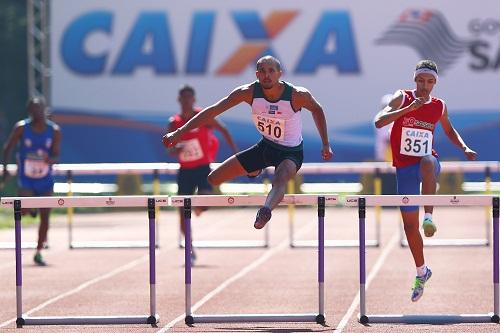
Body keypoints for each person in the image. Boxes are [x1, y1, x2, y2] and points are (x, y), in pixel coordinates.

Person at [163, 55, 333, 229]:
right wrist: (179, 132)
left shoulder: (297, 95)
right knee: (213, 179)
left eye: (271, 71)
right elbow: (213, 111)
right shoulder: (248, 92)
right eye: (262, 71)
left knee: (280, 178)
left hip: (290, 151)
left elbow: (317, 109)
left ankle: (265, 211)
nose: (267, 75)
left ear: (279, 74)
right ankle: (255, 168)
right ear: (257, 74)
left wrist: (325, 143)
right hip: (266, 147)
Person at [374, 60, 477, 302]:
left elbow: (449, 131)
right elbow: (379, 120)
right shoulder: (402, 97)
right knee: (409, 226)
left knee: (428, 160)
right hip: (404, 168)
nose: (425, 86)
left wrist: (464, 147)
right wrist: (407, 110)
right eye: (421, 81)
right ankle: (422, 271)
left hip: (426, 164)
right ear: (415, 80)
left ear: (435, 83)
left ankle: (429, 217)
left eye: (430, 82)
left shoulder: (439, 106)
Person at [167, 84, 238, 263]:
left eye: (189, 98)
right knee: (183, 211)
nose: (186, 101)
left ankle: (198, 208)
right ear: (179, 100)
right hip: (185, 171)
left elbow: (224, 130)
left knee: (205, 200)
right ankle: (189, 247)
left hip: (203, 168)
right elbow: (169, 148)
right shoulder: (173, 122)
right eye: (183, 98)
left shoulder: (204, 116)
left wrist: (236, 154)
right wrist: (176, 148)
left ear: (193, 99)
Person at [2, 97, 61, 266]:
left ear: (45, 110)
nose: (37, 112)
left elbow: (57, 156)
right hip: (26, 179)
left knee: (45, 217)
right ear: (29, 112)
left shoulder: (54, 131)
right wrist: (5, 169)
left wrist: (50, 159)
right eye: (34, 109)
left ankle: (39, 251)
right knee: (24, 209)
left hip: (45, 180)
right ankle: (30, 209)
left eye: (40, 108)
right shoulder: (22, 128)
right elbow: (8, 148)